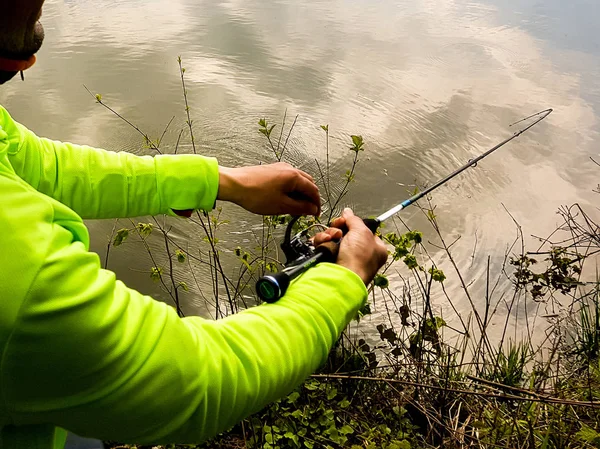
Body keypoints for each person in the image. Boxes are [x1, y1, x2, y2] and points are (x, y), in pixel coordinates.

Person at [0, 1, 389, 448]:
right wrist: (343, 279)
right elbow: (199, 379)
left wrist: (216, 182)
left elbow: (39, 165)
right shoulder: (23, 280)